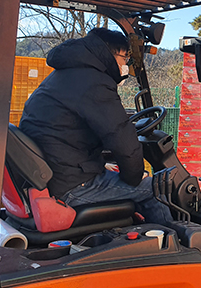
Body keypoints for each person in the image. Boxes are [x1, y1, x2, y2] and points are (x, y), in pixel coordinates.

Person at [19, 27, 173, 225]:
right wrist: (136, 176)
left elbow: (74, 133)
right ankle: (174, 242)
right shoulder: (95, 83)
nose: (125, 64)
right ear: (111, 53)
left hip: (56, 175)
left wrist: (100, 165)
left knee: (129, 179)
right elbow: (121, 139)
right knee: (154, 189)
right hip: (72, 186)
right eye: (125, 58)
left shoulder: (65, 76)